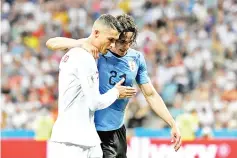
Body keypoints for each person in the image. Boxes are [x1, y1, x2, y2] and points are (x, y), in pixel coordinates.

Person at [47, 14, 182, 158]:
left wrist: (172, 123)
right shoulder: (96, 49)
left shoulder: (136, 59)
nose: (126, 46)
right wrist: (80, 43)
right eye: (121, 41)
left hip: (116, 132)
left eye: (130, 42)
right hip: (92, 131)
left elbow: (150, 94)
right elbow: (52, 42)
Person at [48, 14, 137, 158]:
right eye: (110, 40)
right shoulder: (84, 55)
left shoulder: (88, 50)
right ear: (96, 33)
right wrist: (116, 92)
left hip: (87, 140)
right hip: (71, 144)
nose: (113, 45)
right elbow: (94, 103)